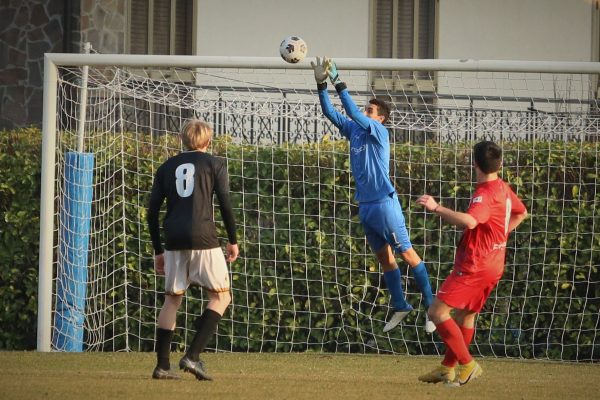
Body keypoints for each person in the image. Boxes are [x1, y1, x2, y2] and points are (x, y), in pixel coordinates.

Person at [310, 57, 434, 333]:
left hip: (385, 205)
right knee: (384, 259)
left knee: (408, 255)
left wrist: (337, 80)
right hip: (365, 207)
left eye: (370, 110)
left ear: (380, 118)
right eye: (366, 109)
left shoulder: (378, 131)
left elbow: (353, 111)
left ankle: (432, 307)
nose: (365, 112)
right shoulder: (355, 129)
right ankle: (401, 305)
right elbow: (331, 113)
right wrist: (320, 84)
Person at [416, 141, 527, 386]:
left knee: (437, 312)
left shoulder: (484, 194)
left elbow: (470, 221)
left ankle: (468, 364)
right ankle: (447, 368)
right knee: (466, 317)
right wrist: (500, 236)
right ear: (499, 164)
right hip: (494, 263)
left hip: (475, 265)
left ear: (474, 164)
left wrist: (436, 207)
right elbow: (521, 212)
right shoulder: (503, 188)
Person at [147, 119, 239, 380]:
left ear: (183, 140)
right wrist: (232, 240)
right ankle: (192, 356)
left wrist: (158, 250)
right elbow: (225, 204)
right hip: (203, 237)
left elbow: (152, 213)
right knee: (221, 297)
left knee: (172, 300)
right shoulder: (214, 164)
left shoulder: (166, 167)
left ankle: (162, 366)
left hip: (173, 239)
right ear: (208, 141)